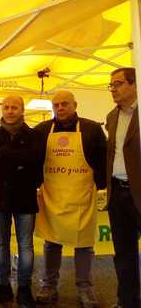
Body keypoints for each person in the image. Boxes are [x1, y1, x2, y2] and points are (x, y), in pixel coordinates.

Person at [34, 91, 107, 308]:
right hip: (52, 196)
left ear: (75, 105)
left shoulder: (92, 129)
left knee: (84, 244)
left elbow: (103, 160)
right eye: (56, 104)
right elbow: (34, 160)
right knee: (51, 242)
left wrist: (101, 186)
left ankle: (85, 287)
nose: (60, 108)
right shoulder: (42, 130)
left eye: (65, 104)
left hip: (82, 195)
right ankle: (49, 286)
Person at [0, 96, 42, 308]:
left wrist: (3, 154)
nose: (10, 111)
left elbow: (35, 159)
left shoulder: (34, 135)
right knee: (0, 243)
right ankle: (2, 286)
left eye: (14, 107)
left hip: (25, 196)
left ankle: (24, 288)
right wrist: (18, 159)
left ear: (22, 110)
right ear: (2, 109)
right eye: (6, 107)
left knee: (26, 245)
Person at [106, 67, 141, 308]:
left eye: (118, 84)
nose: (113, 89)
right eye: (111, 85)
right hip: (117, 192)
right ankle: (127, 301)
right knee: (124, 253)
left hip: (139, 192)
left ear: (135, 85)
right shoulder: (112, 116)